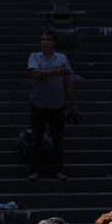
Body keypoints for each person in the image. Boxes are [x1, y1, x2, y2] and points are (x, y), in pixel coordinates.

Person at [27, 30, 78, 180]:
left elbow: (67, 81)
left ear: (54, 43)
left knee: (58, 139)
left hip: (57, 104)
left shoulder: (62, 58)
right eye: (43, 39)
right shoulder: (34, 56)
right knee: (36, 139)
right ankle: (35, 170)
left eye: (48, 39)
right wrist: (56, 72)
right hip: (38, 103)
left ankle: (58, 170)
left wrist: (73, 102)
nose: (45, 42)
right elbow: (35, 73)